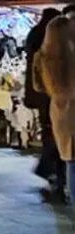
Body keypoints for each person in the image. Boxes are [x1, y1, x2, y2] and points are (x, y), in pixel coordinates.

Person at [36, 11, 75, 204]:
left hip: (59, 111)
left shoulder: (43, 58)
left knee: (70, 161)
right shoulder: (72, 56)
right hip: (72, 110)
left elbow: (37, 86)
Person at [25, 8, 64, 201]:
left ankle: (53, 179)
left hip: (48, 104)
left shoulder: (36, 42)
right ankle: (55, 179)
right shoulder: (52, 52)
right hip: (57, 105)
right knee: (58, 146)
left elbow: (36, 84)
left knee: (54, 142)